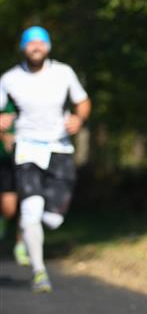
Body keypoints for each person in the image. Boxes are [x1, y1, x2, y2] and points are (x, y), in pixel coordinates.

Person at [0, 26, 91, 293]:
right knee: (31, 209)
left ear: (48, 47)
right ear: (23, 48)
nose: (36, 47)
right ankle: (39, 272)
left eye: (41, 42)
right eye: (31, 43)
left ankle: (34, 228)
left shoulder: (63, 73)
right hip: (27, 148)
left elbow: (83, 102)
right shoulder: (10, 78)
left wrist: (79, 119)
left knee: (52, 218)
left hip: (59, 149)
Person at [0, 100, 30, 266]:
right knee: (9, 208)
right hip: (6, 160)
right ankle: (4, 218)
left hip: (30, 159)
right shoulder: (4, 98)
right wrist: (4, 136)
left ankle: (21, 246)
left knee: (28, 204)